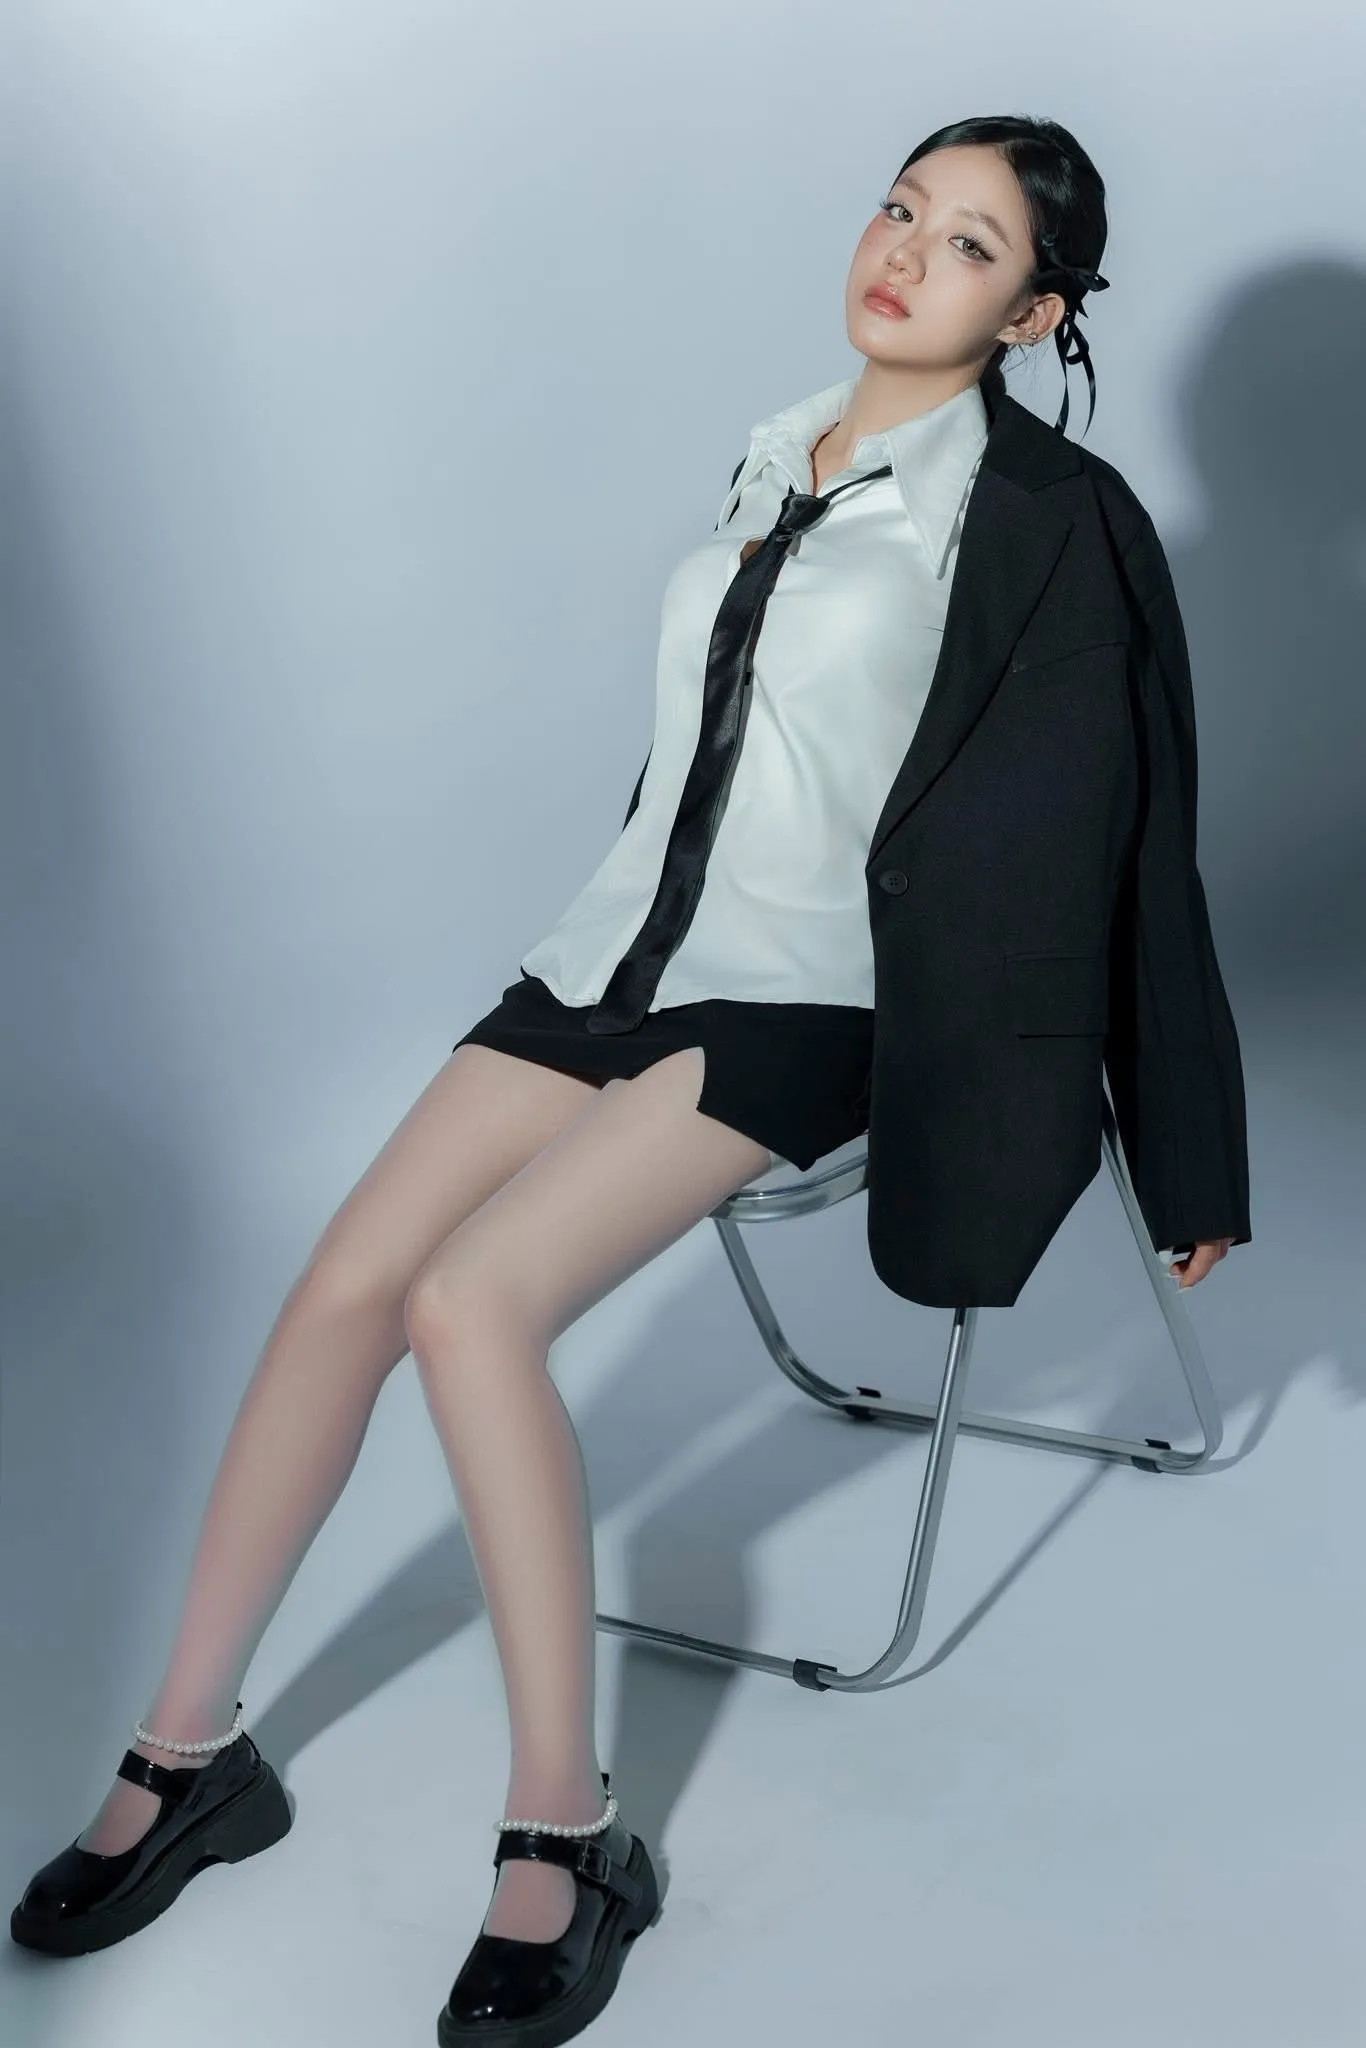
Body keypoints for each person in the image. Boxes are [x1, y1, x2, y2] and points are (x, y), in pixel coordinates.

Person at [11, 113, 1248, 2047]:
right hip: (613, 961)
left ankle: (565, 1836)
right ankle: (189, 1755)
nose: (906, 252)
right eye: (901, 208)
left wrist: (1187, 1153)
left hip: (818, 997)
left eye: (971, 244)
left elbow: (1138, 827)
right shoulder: (774, 452)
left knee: (470, 1302)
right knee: (340, 1287)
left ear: (1034, 314)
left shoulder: (1043, 517)